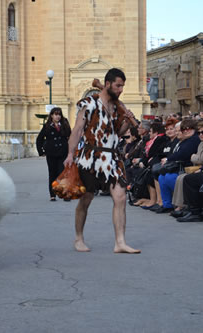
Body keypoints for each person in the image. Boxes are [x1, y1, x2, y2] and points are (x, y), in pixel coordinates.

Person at [63, 68, 140, 254]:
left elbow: (118, 133)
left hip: (112, 158)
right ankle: (79, 238)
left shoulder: (117, 107)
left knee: (120, 198)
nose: (121, 89)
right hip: (91, 157)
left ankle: (120, 242)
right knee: (86, 199)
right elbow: (77, 130)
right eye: (118, 85)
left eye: (123, 86)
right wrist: (70, 154)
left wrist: (128, 122)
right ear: (107, 84)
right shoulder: (89, 103)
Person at [36, 107, 71, 201]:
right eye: (56, 114)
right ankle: (52, 194)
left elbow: (70, 137)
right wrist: (41, 151)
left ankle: (64, 193)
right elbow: (39, 139)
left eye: (59, 114)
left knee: (62, 173)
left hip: (63, 152)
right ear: (51, 115)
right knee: (52, 174)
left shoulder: (64, 124)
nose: (58, 116)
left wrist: (71, 151)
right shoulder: (47, 126)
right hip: (51, 153)